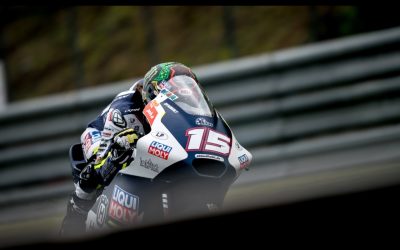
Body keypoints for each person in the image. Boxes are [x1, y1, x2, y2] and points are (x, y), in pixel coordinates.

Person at [60, 62, 200, 235]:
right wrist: (115, 149)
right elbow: (106, 150)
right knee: (102, 164)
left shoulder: (181, 107)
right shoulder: (125, 111)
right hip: (99, 134)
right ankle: (76, 210)